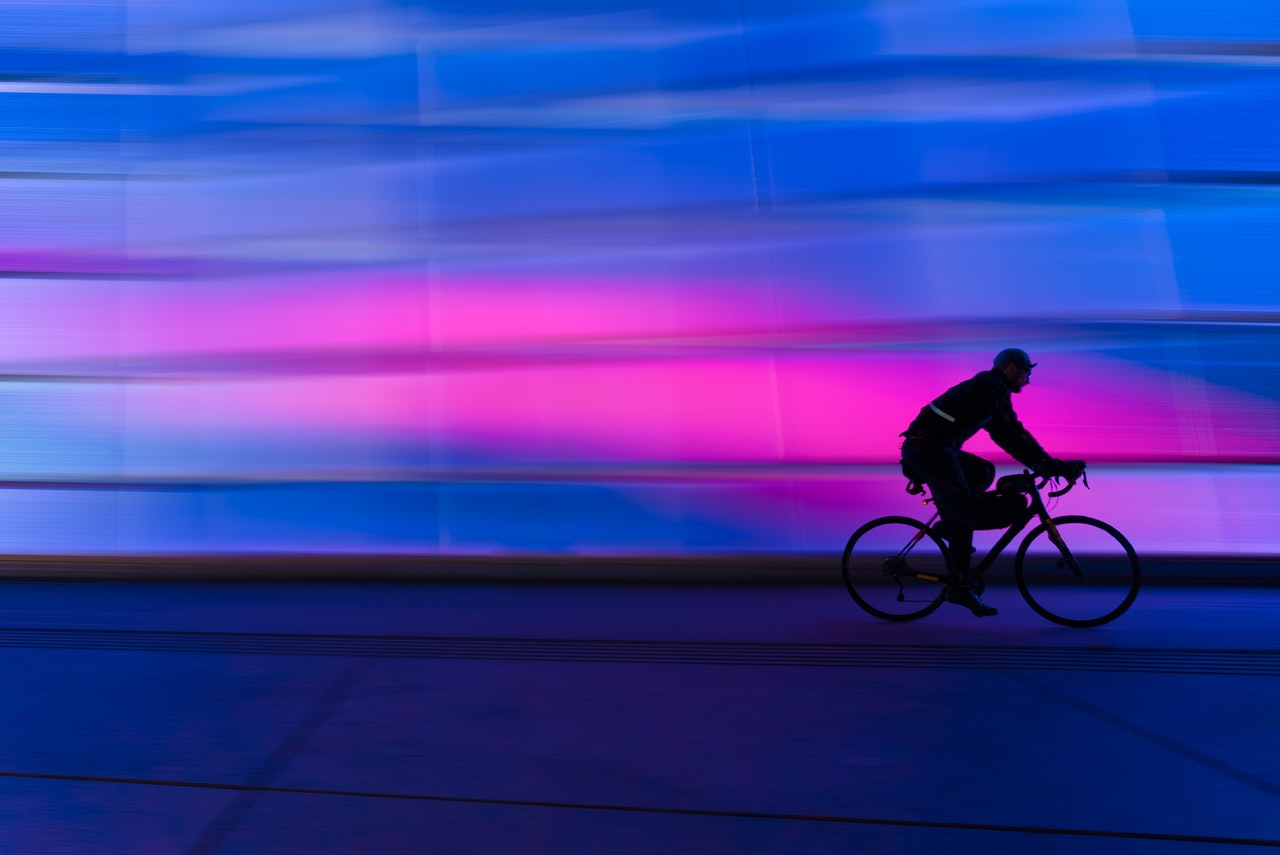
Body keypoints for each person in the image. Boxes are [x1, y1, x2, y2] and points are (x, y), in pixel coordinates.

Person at [899, 348, 1084, 617]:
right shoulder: (991, 386)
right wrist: (1048, 465)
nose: (1028, 380)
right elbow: (1010, 432)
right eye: (1026, 372)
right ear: (1010, 368)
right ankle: (959, 587)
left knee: (982, 471)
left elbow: (1004, 433)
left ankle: (949, 523)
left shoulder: (989, 388)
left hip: (937, 448)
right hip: (928, 451)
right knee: (963, 514)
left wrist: (1043, 463)